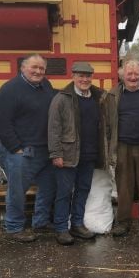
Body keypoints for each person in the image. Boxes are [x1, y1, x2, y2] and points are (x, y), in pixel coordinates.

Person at [0, 54, 57, 243]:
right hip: (22, 151)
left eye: (42, 69)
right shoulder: (9, 90)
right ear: (22, 68)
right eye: (34, 68)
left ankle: (41, 221)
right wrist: (15, 148)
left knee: (47, 187)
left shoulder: (46, 86)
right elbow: (2, 122)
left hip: (45, 149)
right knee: (17, 190)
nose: (38, 71)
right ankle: (14, 227)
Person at [48, 62, 107, 245]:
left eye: (88, 76)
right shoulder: (62, 98)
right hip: (67, 155)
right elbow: (54, 128)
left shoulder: (98, 97)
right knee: (64, 193)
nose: (84, 79)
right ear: (73, 76)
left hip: (89, 154)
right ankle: (60, 228)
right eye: (80, 76)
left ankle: (77, 224)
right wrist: (55, 153)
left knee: (83, 190)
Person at [106, 60, 139, 237]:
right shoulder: (112, 95)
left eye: (136, 73)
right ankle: (123, 222)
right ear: (122, 75)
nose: (133, 77)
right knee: (124, 186)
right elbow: (107, 123)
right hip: (122, 145)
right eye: (129, 74)